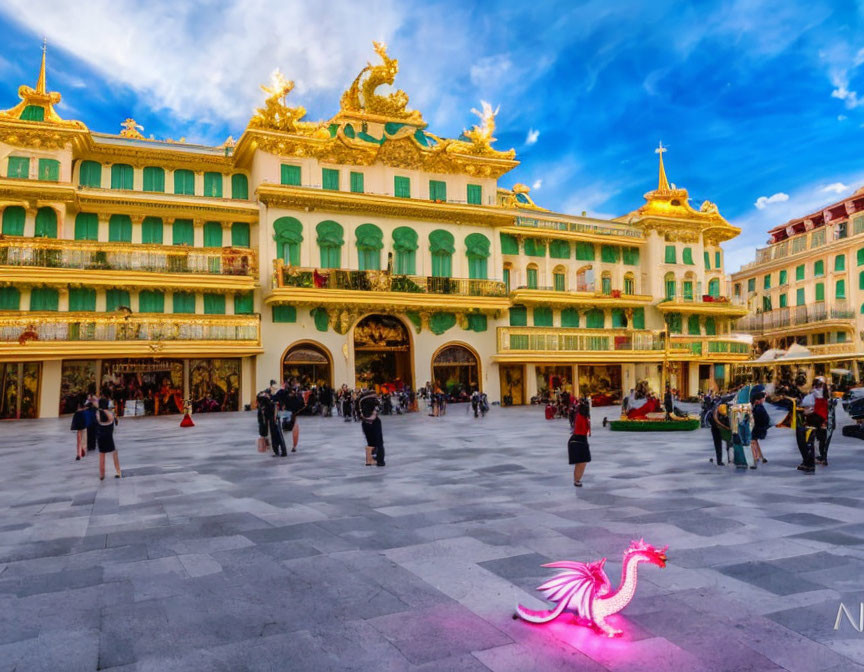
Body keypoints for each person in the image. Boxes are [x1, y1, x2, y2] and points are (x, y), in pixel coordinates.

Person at [357, 388, 385, 467]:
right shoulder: (375, 400)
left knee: (370, 442)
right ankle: (380, 461)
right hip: (375, 422)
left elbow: (357, 412)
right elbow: (380, 407)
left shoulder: (360, 400)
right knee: (379, 442)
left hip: (365, 423)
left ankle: (369, 460)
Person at [96, 397, 121, 480]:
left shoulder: (98, 413)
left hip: (100, 436)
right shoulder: (110, 413)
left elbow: (98, 421)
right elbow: (114, 421)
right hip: (109, 437)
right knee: (114, 453)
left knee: (101, 455)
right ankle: (118, 472)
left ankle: (101, 474)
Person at [275, 384, 305, 453]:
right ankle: (292, 446)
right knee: (290, 430)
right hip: (291, 415)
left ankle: (290, 446)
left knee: (287, 431)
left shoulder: (285, 395)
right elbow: (301, 405)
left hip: (288, 414)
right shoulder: (294, 397)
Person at [569, 400, 591, 487]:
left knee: (583, 462)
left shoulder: (584, 416)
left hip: (582, 439)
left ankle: (577, 480)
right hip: (578, 439)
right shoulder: (580, 416)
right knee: (581, 462)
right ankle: (577, 480)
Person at [751, 391, 770, 464]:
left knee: (753, 441)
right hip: (759, 427)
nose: (764, 400)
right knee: (754, 441)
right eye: (763, 398)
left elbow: (760, 418)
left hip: (758, 427)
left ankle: (756, 457)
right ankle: (760, 457)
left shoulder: (759, 407)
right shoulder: (759, 407)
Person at [70, 395, 88, 461]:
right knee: (84, 435)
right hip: (83, 415)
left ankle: (78, 454)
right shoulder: (85, 403)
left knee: (79, 436)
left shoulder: (76, 402)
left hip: (77, 415)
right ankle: (83, 448)